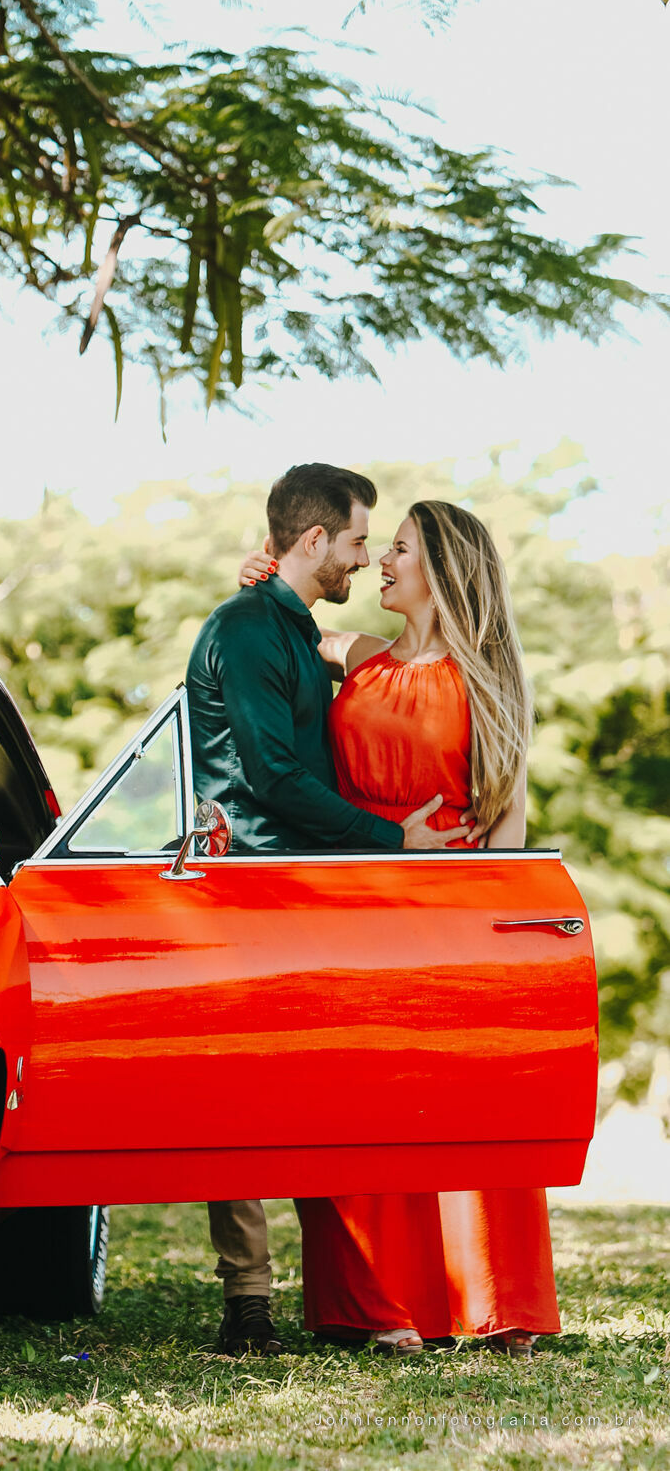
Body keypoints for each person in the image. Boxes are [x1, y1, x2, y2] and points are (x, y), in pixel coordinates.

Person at [239, 498, 559, 1358]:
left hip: (448, 902)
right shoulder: (362, 657)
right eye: (377, 547)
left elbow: (506, 815)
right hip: (353, 895)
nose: (381, 561)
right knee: (351, 1100)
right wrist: (260, 575)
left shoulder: (486, 678)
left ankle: (494, 1305)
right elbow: (275, 636)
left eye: (400, 551)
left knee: (465, 1107)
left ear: (442, 570)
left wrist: (493, 923)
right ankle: (378, 1306)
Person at [186, 464, 474, 1359]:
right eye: (357, 541)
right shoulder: (243, 626)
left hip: (311, 890)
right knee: (236, 1097)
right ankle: (248, 1303)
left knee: (314, 1089)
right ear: (314, 542)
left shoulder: (292, 623)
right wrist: (393, 840)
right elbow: (269, 776)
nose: (365, 557)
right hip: (247, 886)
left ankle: (344, 1292)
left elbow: (348, 665)